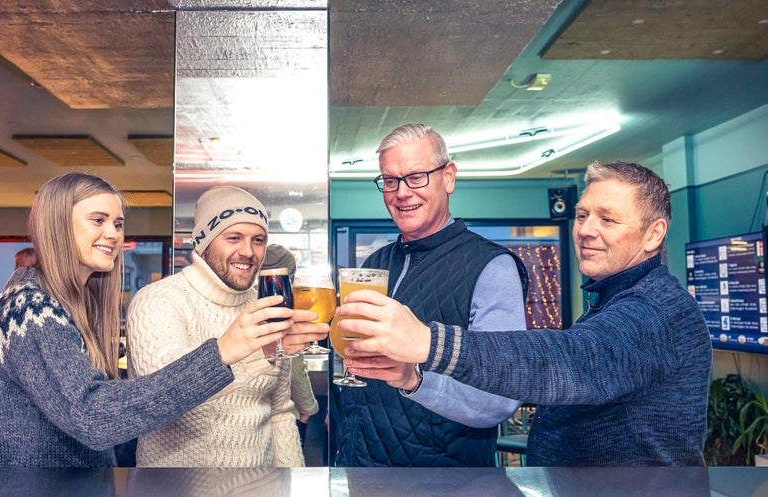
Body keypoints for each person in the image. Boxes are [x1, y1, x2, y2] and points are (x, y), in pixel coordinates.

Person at [342, 161, 713, 466]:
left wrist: (428, 341)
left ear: (653, 235)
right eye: (582, 215)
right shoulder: (614, 300)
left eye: (608, 219)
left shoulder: (657, 311)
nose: (586, 230)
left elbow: (569, 360)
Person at [0, 173, 323, 467]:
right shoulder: (30, 311)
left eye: (118, 223)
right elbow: (96, 416)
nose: (113, 233)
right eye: (98, 220)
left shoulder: (70, 305)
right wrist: (225, 352)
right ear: (56, 225)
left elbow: (280, 412)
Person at [331, 123, 529, 467]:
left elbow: (501, 396)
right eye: (390, 181)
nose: (402, 192)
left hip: (444, 479)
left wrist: (414, 379)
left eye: (416, 176)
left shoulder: (492, 266)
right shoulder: (376, 262)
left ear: (448, 177)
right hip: (363, 469)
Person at [125, 186, 328, 467]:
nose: (248, 251)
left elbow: (280, 412)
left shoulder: (265, 305)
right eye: (234, 238)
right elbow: (161, 400)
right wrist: (259, 354)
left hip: (260, 485)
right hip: (177, 487)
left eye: (258, 240)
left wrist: (291, 482)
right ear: (203, 243)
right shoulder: (159, 300)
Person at [261, 244, 320, 449]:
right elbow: (294, 369)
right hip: (281, 418)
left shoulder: (246, 302)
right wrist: (308, 409)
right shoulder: (282, 309)